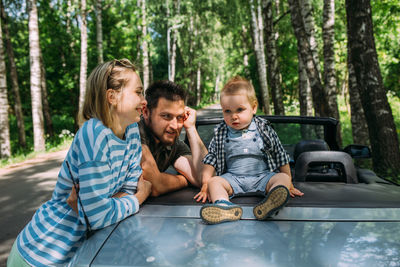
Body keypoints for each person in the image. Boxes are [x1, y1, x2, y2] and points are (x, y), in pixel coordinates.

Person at [7, 59, 152, 267]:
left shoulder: (131, 132)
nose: (144, 100)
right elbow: (100, 215)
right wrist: (138, 198)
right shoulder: (94, 133)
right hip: (41, 254)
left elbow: (124, 192)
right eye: (138, 92)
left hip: (78, 256)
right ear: (112, 96)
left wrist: (100, 205)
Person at [195, 76, 303, 224]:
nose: (234, 116)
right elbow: (211, 158)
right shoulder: (221, 132)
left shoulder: (263, 129)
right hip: (233, 179)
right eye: (227, 111)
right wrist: (205, 184)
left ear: (253, 108)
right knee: (215, 182)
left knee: (283, 178)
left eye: (240, 110)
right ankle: (223, 206)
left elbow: (279, 154)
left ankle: (272, 201)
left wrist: (288, 183)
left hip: (263, 177)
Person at [139, 80, 208, 196]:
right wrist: (184, 180)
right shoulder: (135, 134)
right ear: (146, 112)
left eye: (180, 117)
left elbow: (204, 177)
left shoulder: (172, 143)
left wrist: (191, 128)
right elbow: (156, 185)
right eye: (166, 116)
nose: (175, 126)